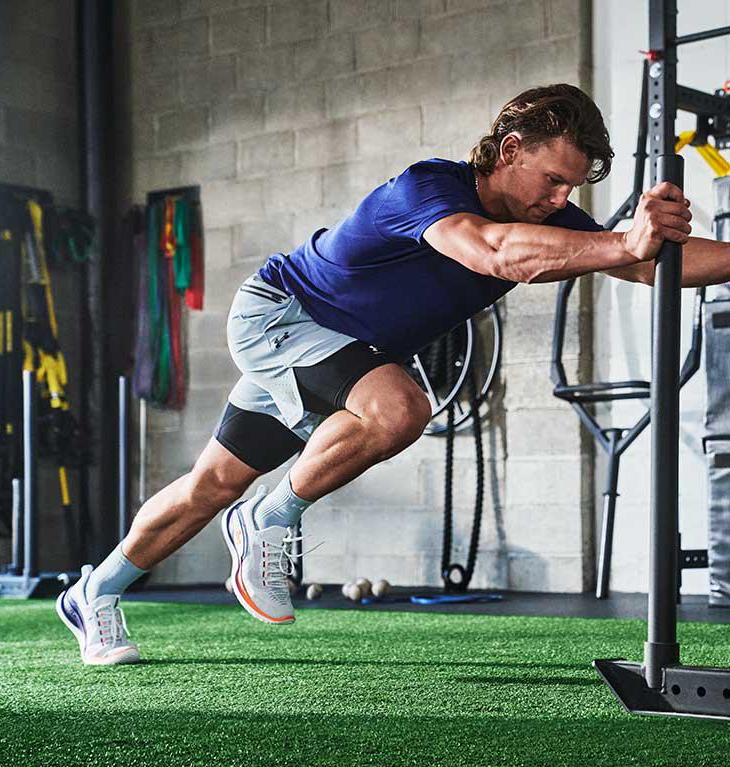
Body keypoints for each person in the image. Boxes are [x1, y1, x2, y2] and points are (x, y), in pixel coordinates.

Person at [58, 82, 720, 665]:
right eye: (553, 179)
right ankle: (269, 514)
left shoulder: (542, 216)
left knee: (211, 483)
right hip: (283, 316)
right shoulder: (428, 187)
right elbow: (493, 255)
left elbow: (647, 264)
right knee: (399, 408)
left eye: (572, 187)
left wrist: (640, 246)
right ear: (510, 148)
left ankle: (96, 591)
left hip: (338, 352)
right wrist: (621, 240)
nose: (560, 197)